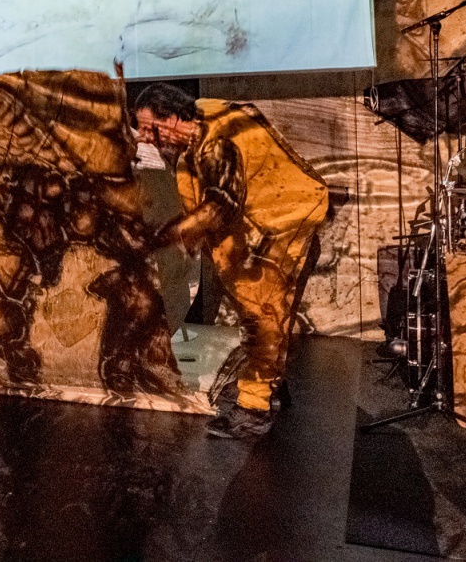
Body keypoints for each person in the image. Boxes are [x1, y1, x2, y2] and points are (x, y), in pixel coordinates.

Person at [132, 84, 328, 439]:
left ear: (172, 118)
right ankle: (271, 386)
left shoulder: (217, 142)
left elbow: (220, 205)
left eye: (150, 129)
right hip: (266, 217)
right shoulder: (200, 126)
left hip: (283, 219)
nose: (146, 139)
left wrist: (164, 238)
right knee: (266, 311)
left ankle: (253, 409)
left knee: (261, 314)